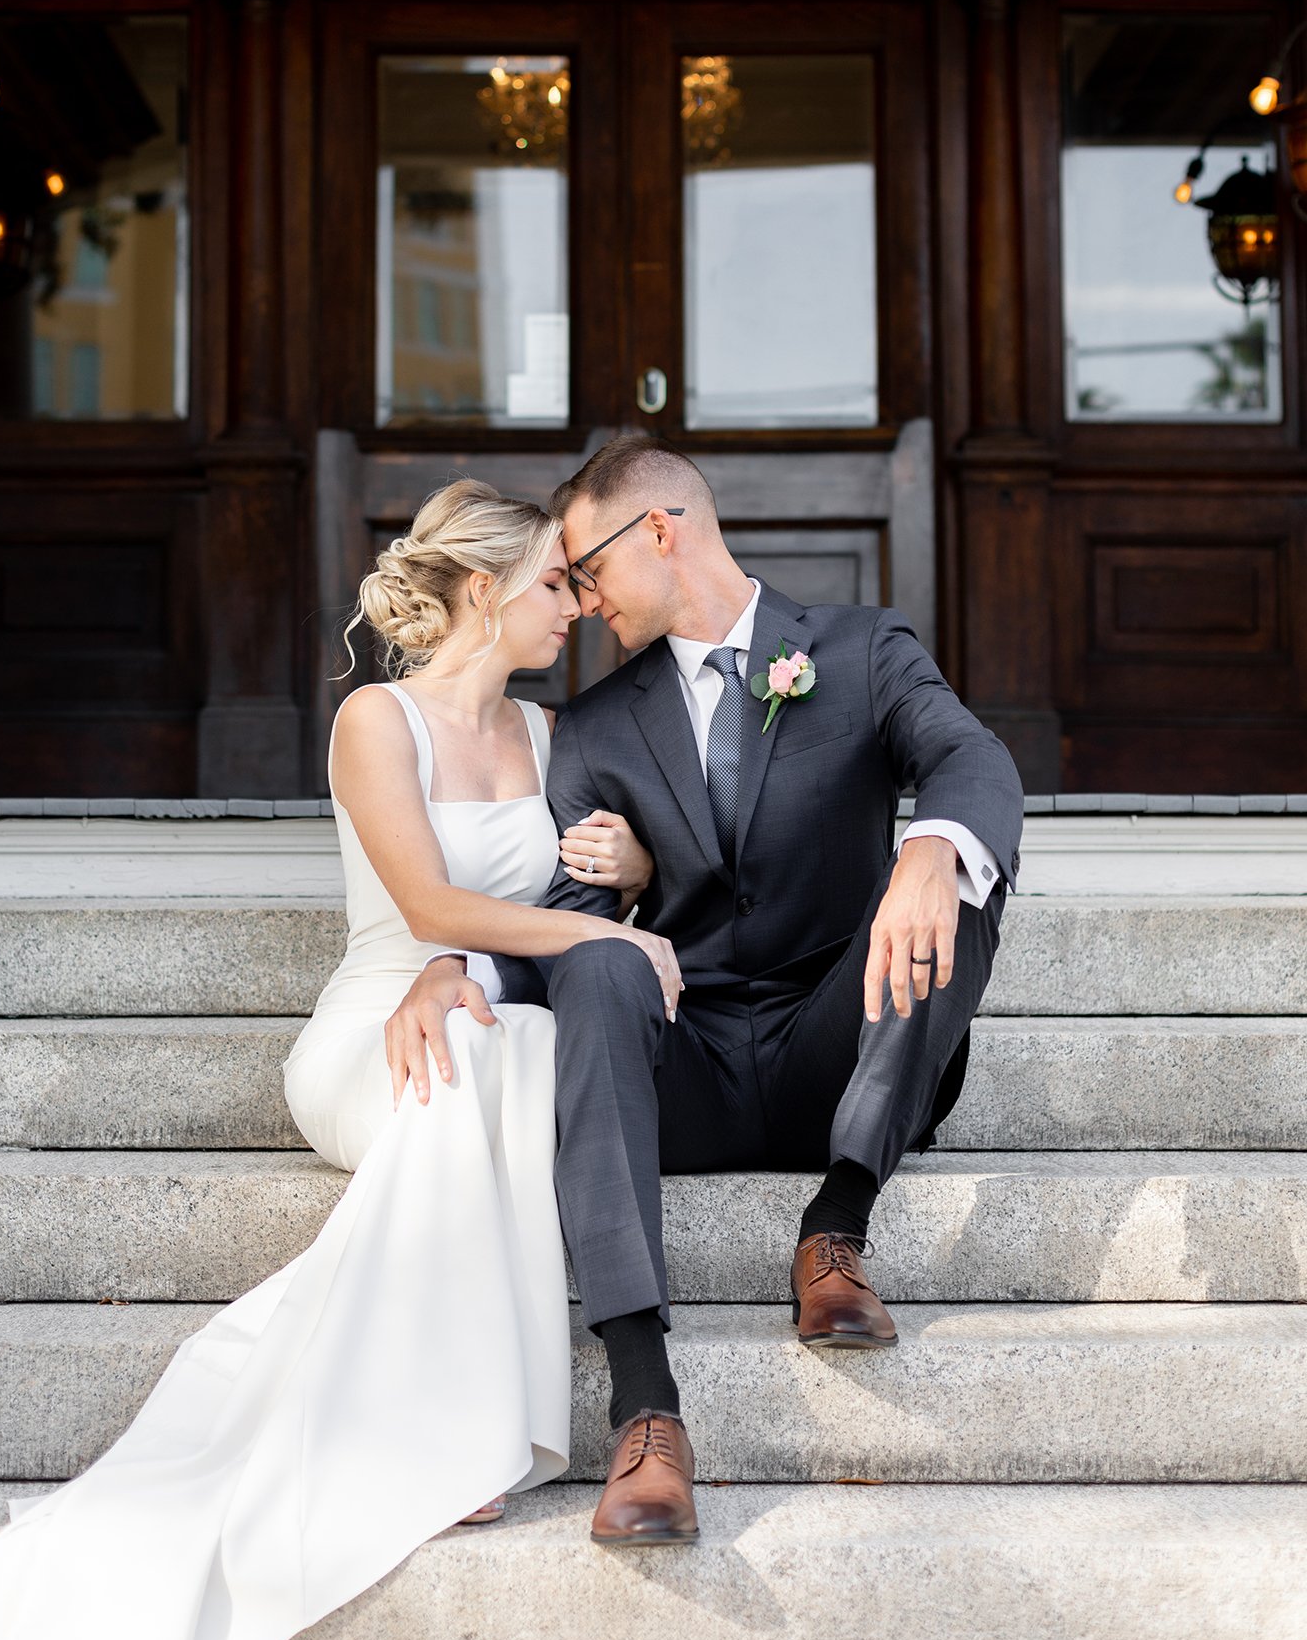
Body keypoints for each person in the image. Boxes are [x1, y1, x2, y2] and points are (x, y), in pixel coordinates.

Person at [0, 478, 673, 1640]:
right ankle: (437, 1432)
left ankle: (458, 1422)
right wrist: (496, 957)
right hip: (376, 1024)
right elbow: (427, 906)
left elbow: (580, 898)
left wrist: (626, 877)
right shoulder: (377, 721)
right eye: (552, 584)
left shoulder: (547, 737)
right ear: (482, 590)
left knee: (518, 1054)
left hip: (488, 1011)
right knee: (476, 1060)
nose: (574, 609)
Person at [391, 438, 1025, 1548]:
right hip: (684, 1057)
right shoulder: (591, 727)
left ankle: (833, 1231)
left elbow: (967, 758)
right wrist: (458, 965)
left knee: (957, 880)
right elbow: (561, 903)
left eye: (585, 571)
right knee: (596, 962)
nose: (580, 605)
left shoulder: (860, 646)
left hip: (841, 1040)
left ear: (661, 532)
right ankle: (643, 1406)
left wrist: (926, 851)